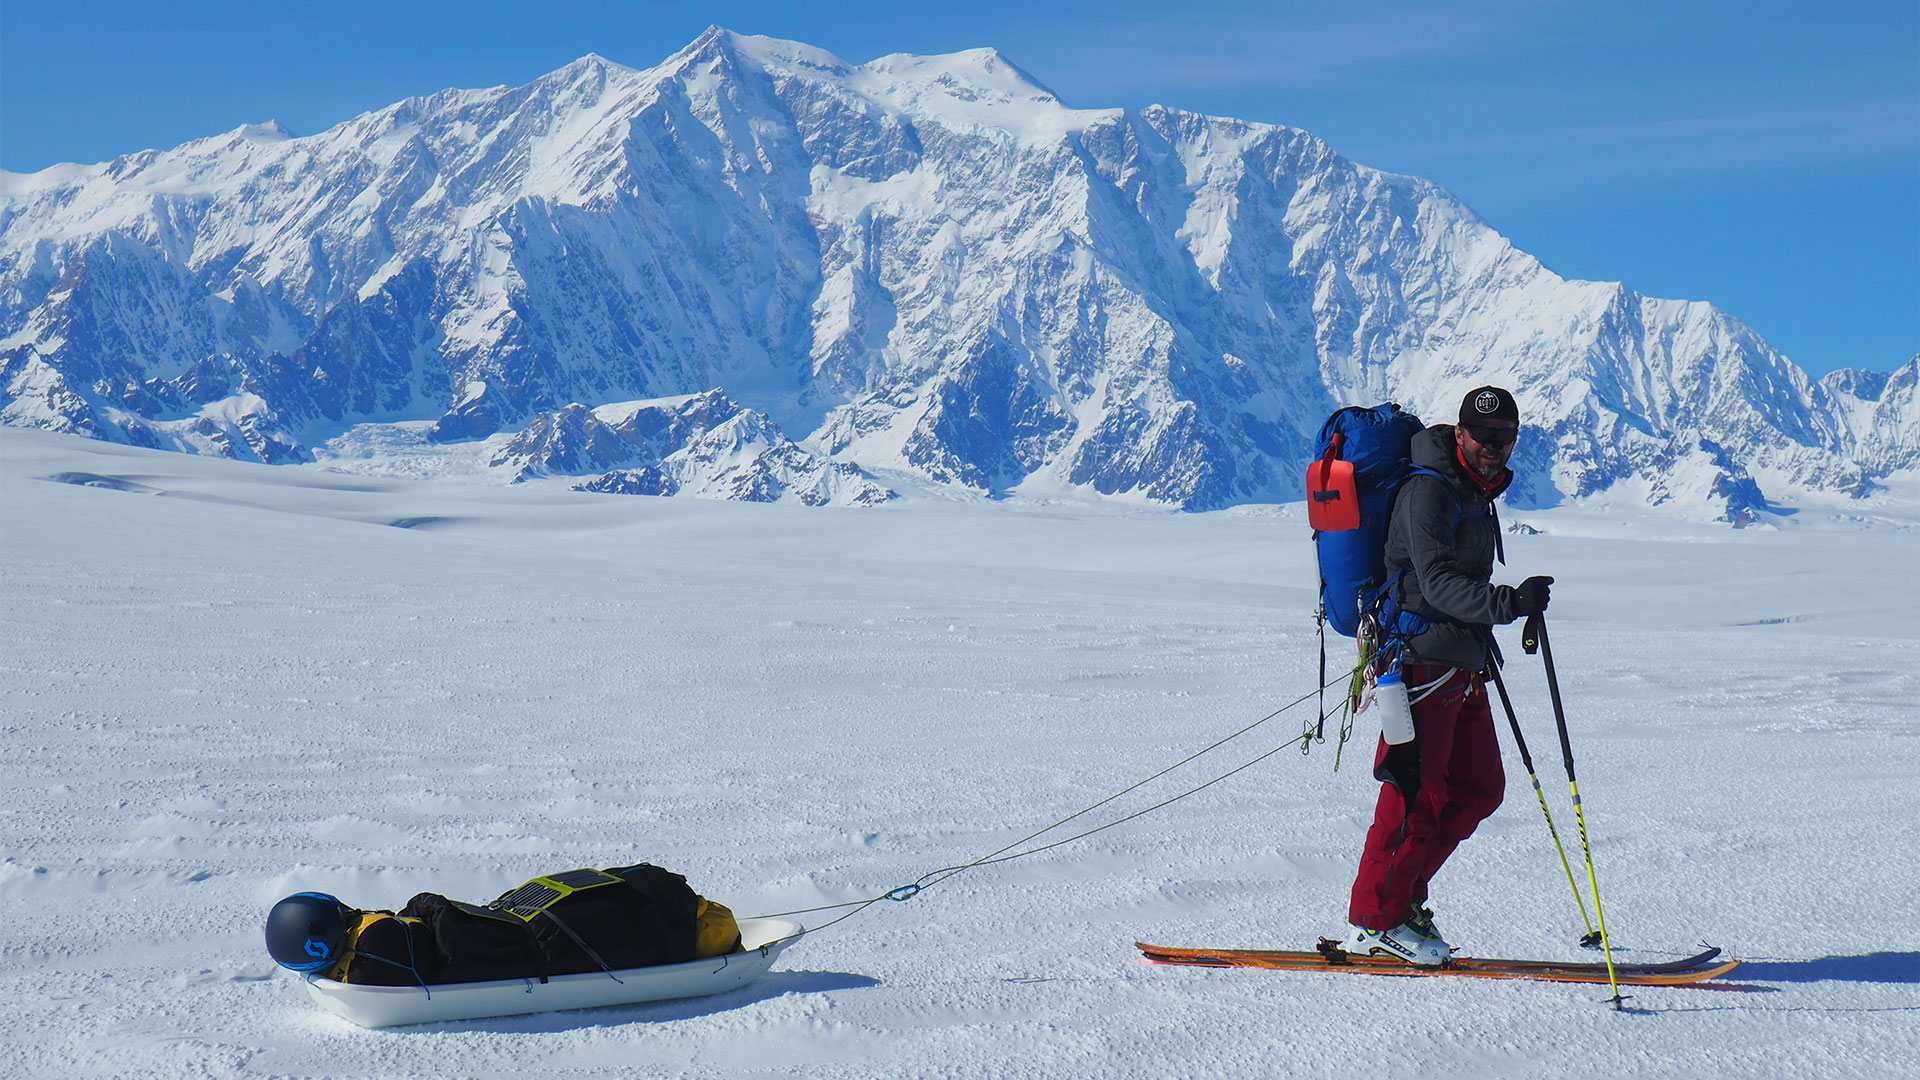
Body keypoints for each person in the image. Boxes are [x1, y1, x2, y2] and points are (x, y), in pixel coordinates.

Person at [1342, 385, 1553, 966]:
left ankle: (1401, 901)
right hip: (1417, 664)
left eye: (1506, 437)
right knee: (1414, 794)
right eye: (1484, 435)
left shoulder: (1473, 490)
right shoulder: (1427, 491)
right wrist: (1507, 602)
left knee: (1479, 789)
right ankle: (1375, 919)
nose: (1495, 447)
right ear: (1459, 434)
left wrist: (1490, 626)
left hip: (1460, 663)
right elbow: (1435, 584)